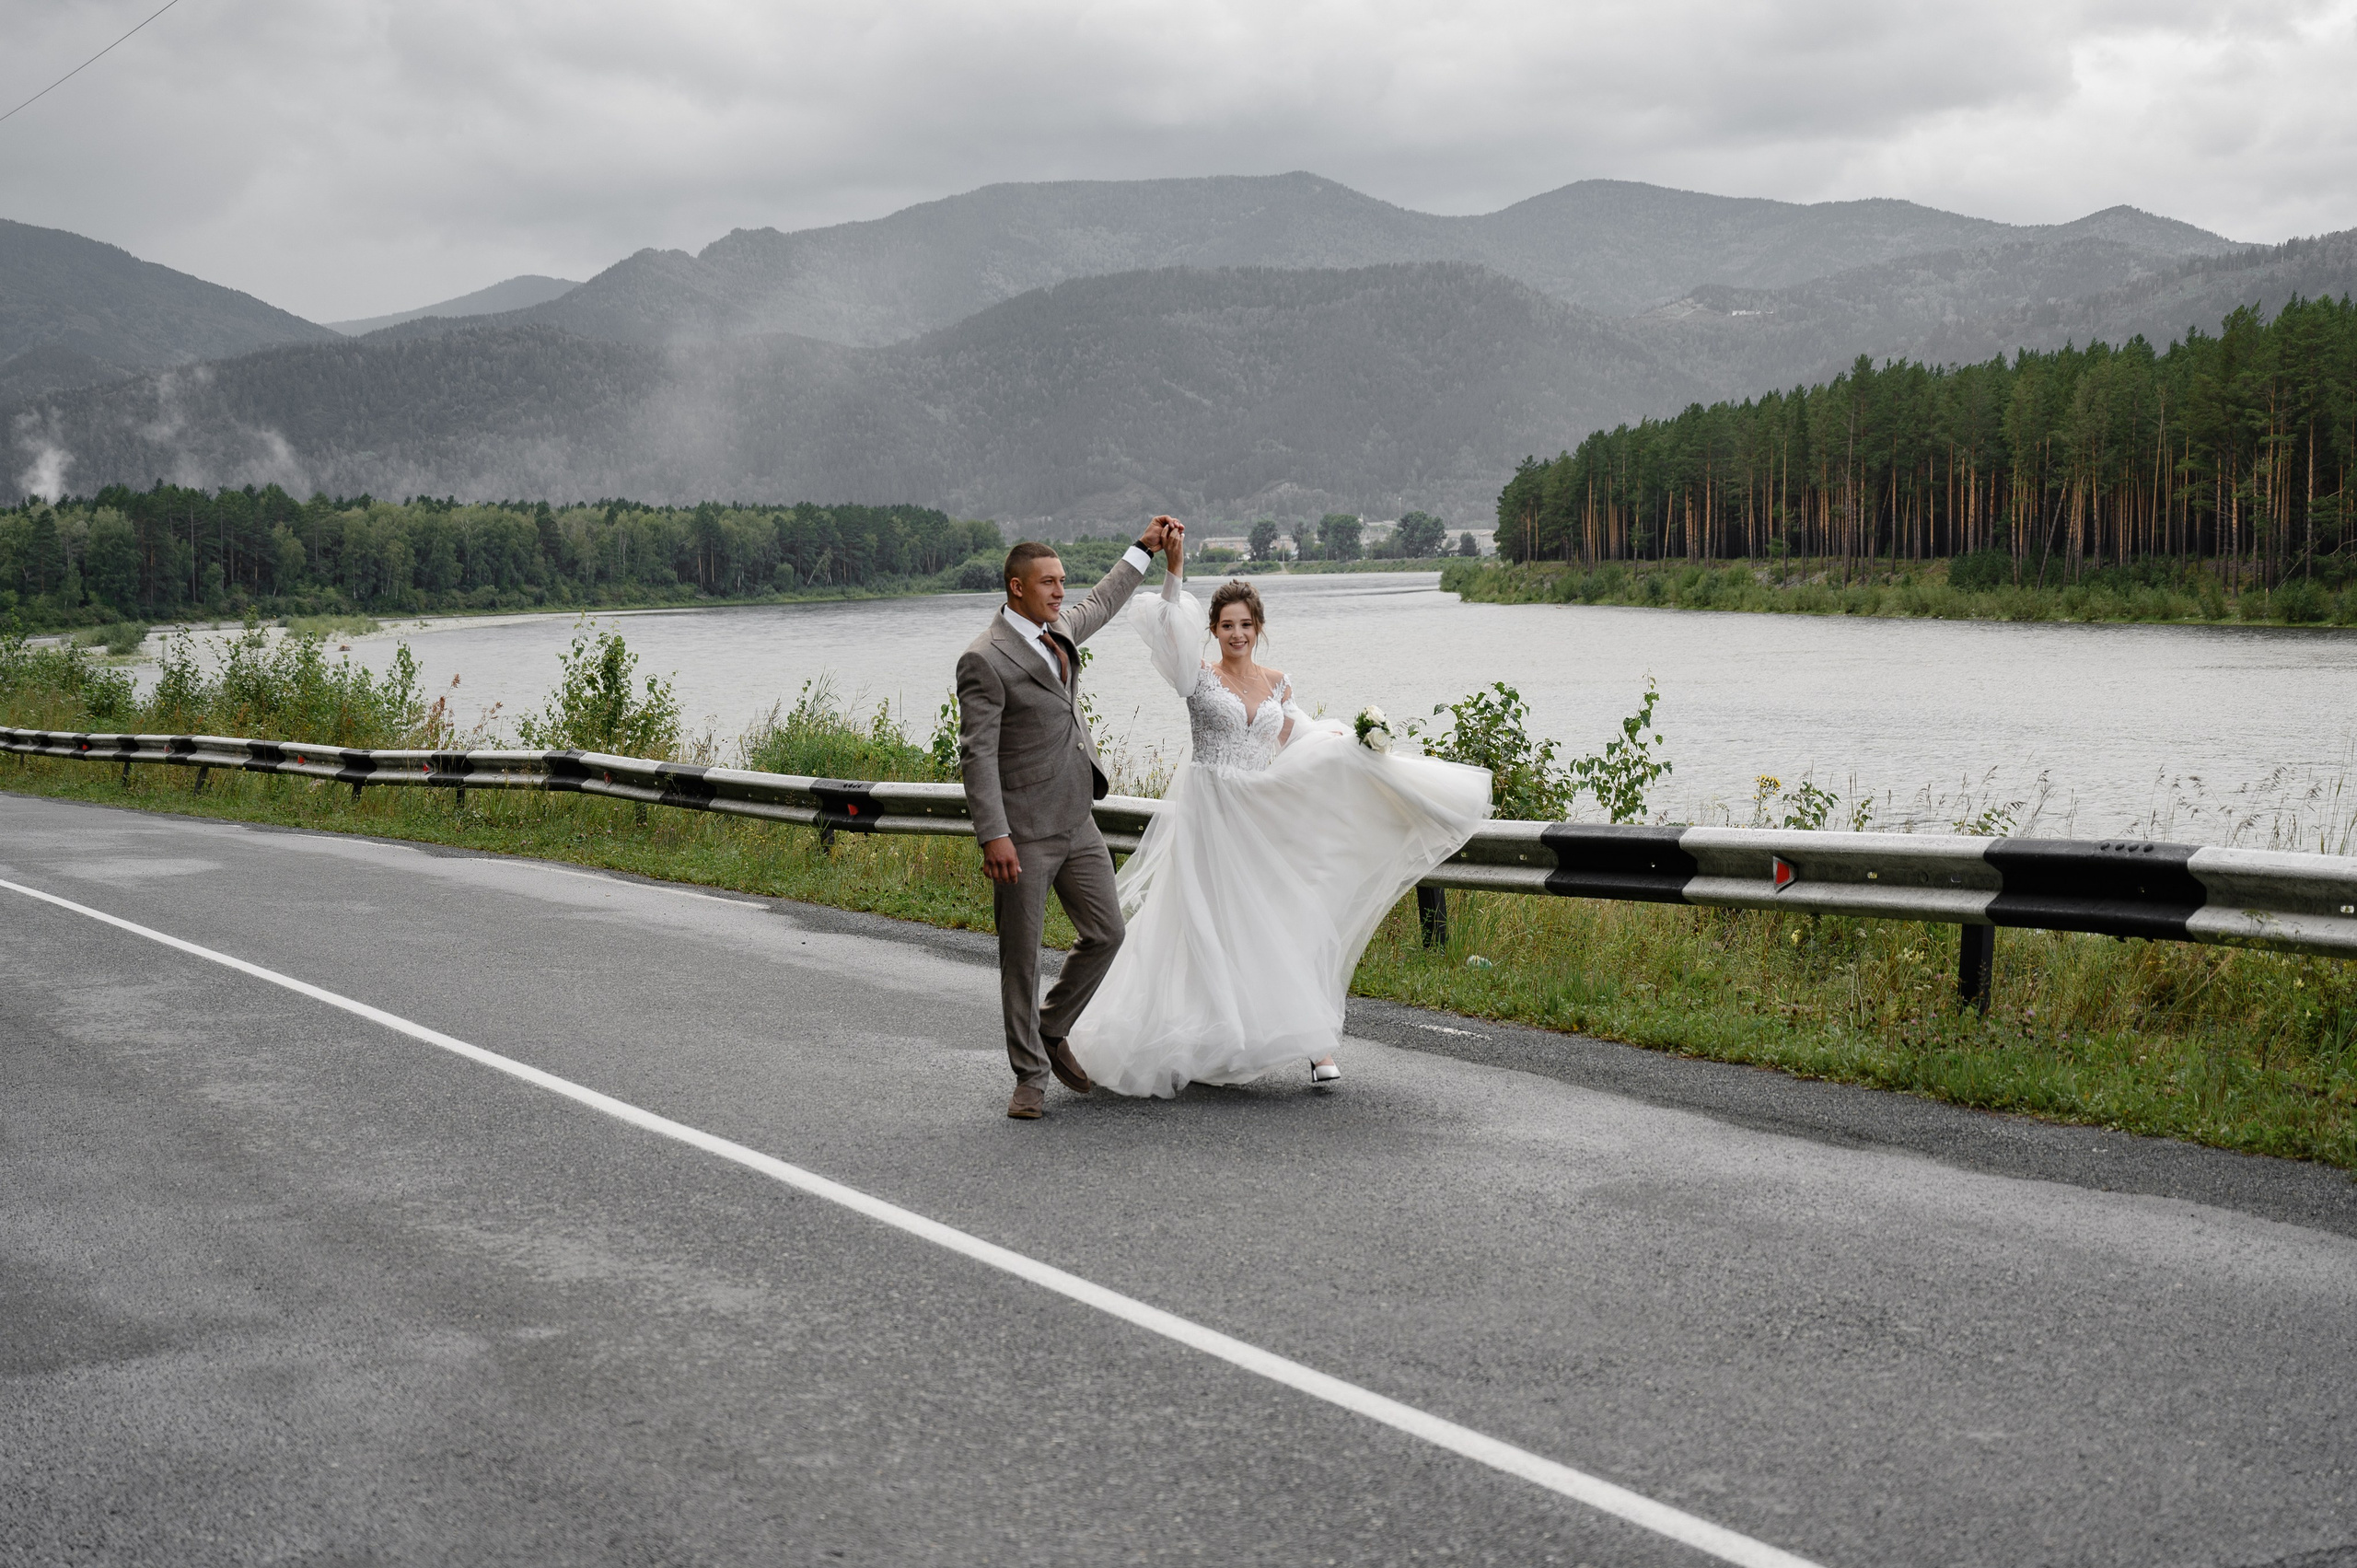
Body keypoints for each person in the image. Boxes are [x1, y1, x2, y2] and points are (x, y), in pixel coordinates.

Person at [1065, 534, 1492, 1099]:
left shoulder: (1277, 683)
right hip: (1210, 814)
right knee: (1205, 927)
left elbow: (1301, 735)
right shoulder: (1195, 676)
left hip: (1260, 810)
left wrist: (1357, 745)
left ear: (1258, 628)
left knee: (1282, 919)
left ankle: (1315, 1047)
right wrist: (1175, 568)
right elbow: (1166, 623)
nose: (1236, 634)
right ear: (1212, 630)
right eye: (1226, 626)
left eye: (1245, 625)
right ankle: (1196, 1037)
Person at [958, 517, 1182, 1121]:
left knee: (1107, 933)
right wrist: (994, 834)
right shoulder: (984, 658)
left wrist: (1143, 548)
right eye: (1048, 582)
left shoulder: (1058, 629)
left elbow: (1104, 599)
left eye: (1061, 581)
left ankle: (1052, 1028)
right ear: (1016, 587)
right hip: (1023, 831)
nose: (1061, 591)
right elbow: (977, 754)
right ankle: (1029, 1078)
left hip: (1077, 818)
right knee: (1022, 959)